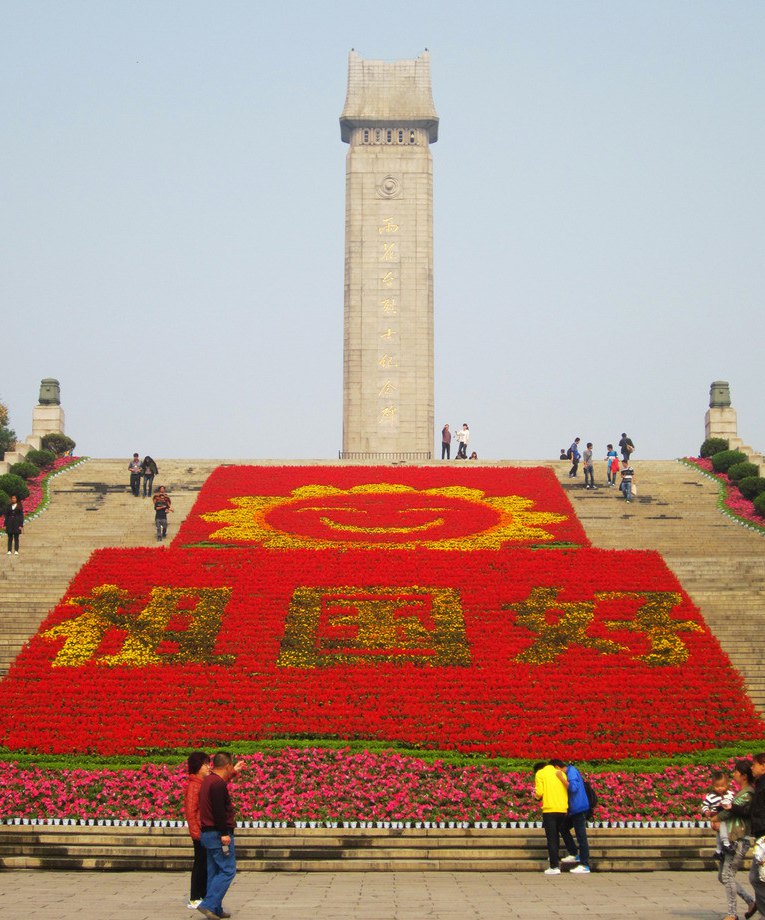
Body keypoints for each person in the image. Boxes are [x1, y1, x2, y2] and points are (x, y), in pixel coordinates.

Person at [197, 751, 244, 920]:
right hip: (217, 834)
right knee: (227, 870)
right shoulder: (217, 785)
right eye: (231, 765)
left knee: (214, 870)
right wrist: (224, 833)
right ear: (227, 765)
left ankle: (215, 908)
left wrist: (234, 773)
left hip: (208, 833)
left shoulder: (209, 780)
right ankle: (209, 904)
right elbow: (218, 811)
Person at [711, 759, 757, 920]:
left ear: (744, 776)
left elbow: (731, 811)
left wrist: (716, 817)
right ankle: (751, 902)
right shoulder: (740, 792)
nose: (734, 774)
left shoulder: (748, 793)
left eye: (736, 772)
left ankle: (732, 913)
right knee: (722, 876)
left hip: (738, 839)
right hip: (731, 837)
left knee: (727, 875)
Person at [184, 751, 211, 910]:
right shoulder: (194, 785)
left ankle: (202, 895)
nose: (208, 767)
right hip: (200, 833)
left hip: (204, 832)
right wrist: (196, 834)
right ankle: (195, 897)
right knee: (200, 864)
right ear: (197, 766)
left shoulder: (202, 783)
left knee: (204, 864)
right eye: (205, 764)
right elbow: (191, 812)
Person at [554, 759, 591, 874]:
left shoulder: (571, 772)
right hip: (573, 809)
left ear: (558, 767)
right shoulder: (570, 772)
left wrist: (561, 778)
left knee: (581, 836)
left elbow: (573, 788)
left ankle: (585, 864)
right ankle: (574, 853)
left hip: (579, 808)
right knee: (563, 828)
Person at [534, 760, 569, 874]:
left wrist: (536, 797)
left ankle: (554, 866)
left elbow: (539, 792)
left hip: (550, 809)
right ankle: (555, 859)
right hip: (562, 808)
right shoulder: (561, 773)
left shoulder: (540, 774)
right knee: (557, 835)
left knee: (552, 838)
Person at [701, 769, 735, 858]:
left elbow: (735, 803)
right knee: (721, 830)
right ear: (713, 786)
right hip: (717, 815)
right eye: (717, 786)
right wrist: (706, 811)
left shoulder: (730, 794)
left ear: (727, 784)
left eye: (722, 786)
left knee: (720, 833)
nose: (720, 788)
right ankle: (726, 844)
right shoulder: (710, 796)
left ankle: (719, 850)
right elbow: (704, 805)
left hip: (728, 816)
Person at [748, 752, 765, 916]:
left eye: (755, 764)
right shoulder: (759, 783)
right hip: (761, 836)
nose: (752, 768)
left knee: (756, 878)